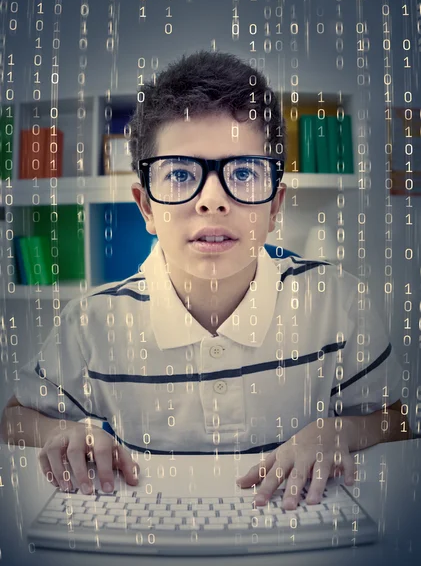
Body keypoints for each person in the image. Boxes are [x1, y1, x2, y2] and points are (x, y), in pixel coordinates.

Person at [1, 50, 412, 511]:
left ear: (275, 207)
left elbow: (401, 420)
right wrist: (63, 431)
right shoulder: (91, 322)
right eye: (179, 173)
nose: (212, 200)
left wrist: (342, 429)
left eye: (243, 172)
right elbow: (13, 420)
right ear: (146, 207)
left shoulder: (336, 301)